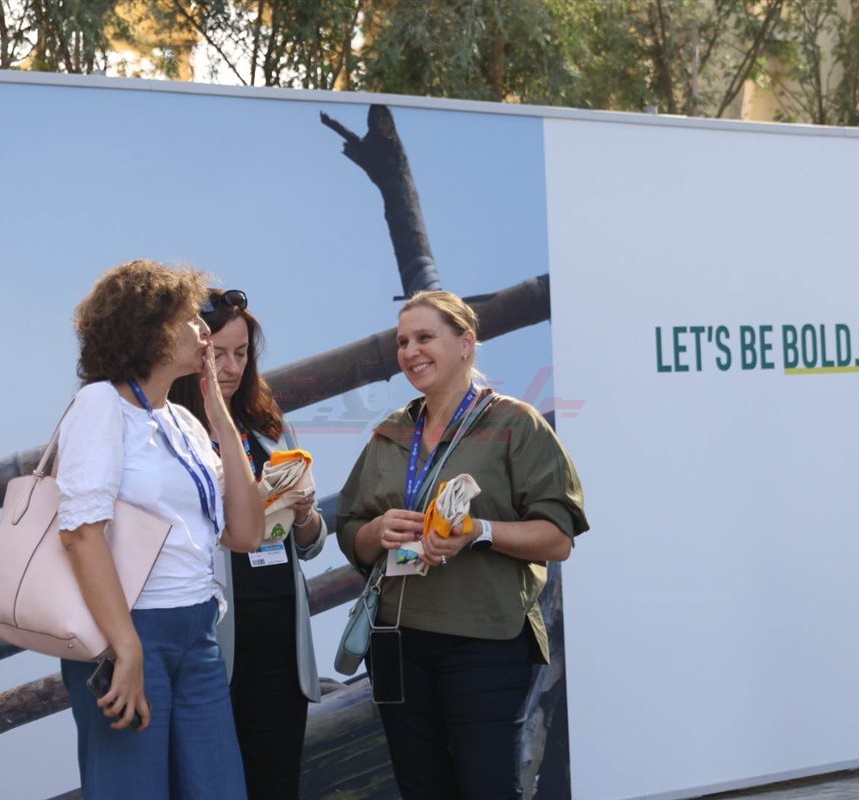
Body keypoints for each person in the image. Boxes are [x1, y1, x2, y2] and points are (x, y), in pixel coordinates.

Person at [335, 290, 588, 800]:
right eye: (403, 342)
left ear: (466, 343)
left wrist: (478, 532)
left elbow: (557, 537)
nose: (410, 352)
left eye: (424, 338)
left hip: (485, 644)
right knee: (421, 789)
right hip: (397, 643)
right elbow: (350, 532)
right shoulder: (390, 432)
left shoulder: (515, 423)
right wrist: (376, 531)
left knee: (485, 787)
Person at [55, 260, 263, 799]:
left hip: (198, 633)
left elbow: (246, 534)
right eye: (189, 318)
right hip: (130, 631)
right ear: (148, 330)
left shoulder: (183, 420)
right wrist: (126, 648)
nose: (202, 330)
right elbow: (80, 534)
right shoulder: (100, 404)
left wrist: (217, 413)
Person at [169, 289, 326, 800]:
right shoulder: (170, 431)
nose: (232, 368)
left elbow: (309, 544)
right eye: (218, 354)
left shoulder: (271, 427)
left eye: (241, 353)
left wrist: (303, 513)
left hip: (281, 643)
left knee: (277, 784)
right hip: (212, 644)